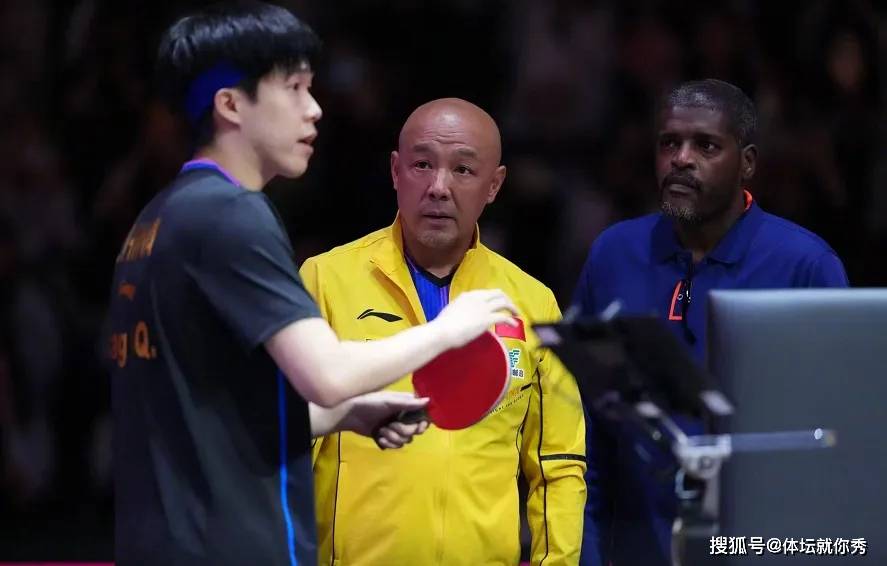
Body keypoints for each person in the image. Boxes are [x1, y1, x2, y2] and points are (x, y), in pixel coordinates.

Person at [106, 5, 518, 566]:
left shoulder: (155, 222)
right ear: (231, 105)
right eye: (294, 88)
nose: (315, 107)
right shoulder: (233, 215)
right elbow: (327, 375)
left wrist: (347, 416)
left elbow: (211, 419)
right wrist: (449, 329)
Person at [573, 79, 849, 566]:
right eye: (669, 143)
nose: (681, 159)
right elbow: (585, 425)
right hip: (634, 547)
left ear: (747, 163)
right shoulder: (614, 254)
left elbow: (839, 438)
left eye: (706, 145)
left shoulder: (805, 265)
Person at [301, 98, 587, 566]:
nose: (438, 187)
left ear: (494, 185)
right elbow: (283, 438)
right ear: (395, 171)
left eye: (463, 170)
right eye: (422, 165)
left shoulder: (533, 302)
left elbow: (558, 464)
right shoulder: (325, 280)